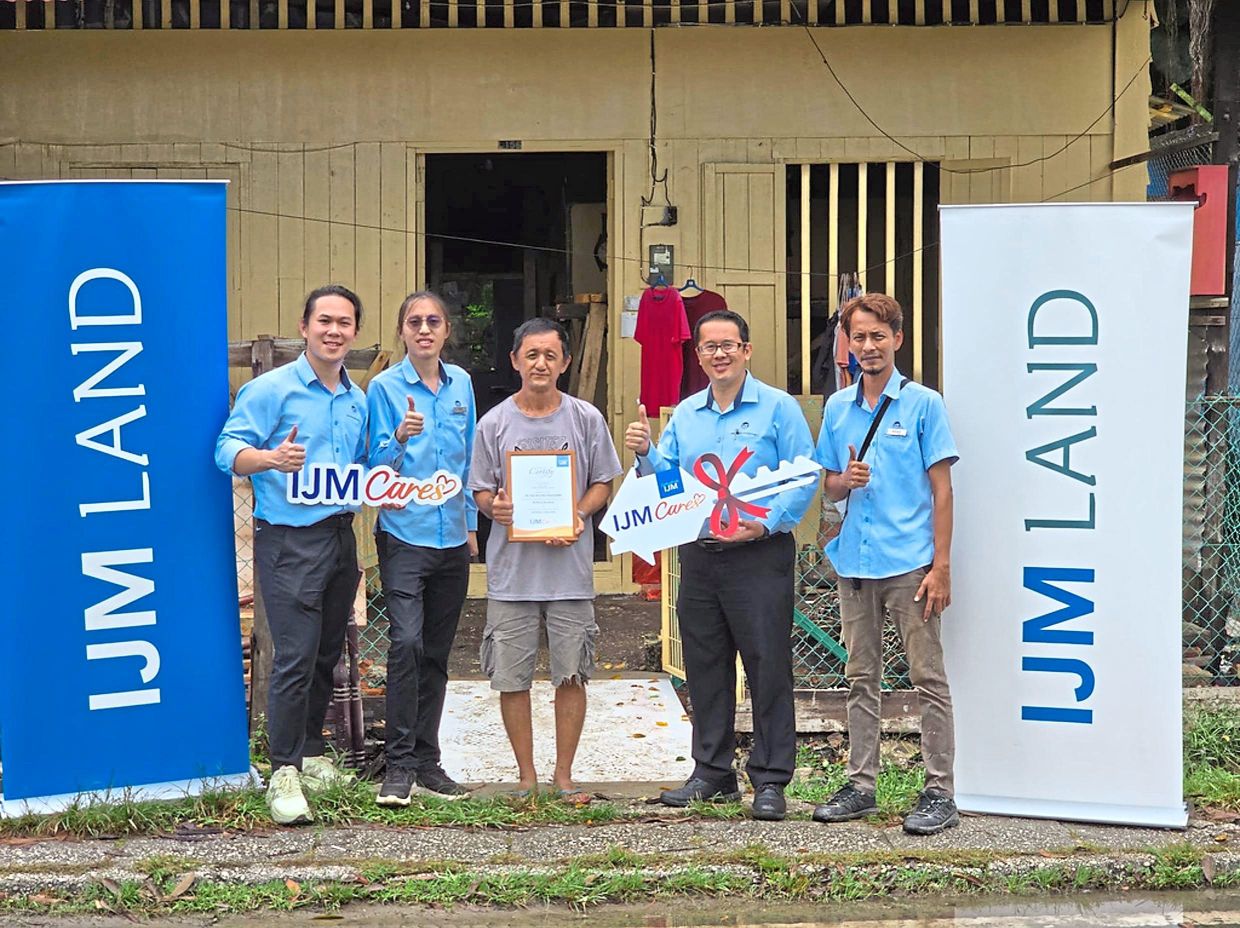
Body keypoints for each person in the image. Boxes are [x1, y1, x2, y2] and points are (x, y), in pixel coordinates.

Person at [624, 309, 815, 822]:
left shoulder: (779, 409)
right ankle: (712, 773)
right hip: (701, 556)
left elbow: (805, 475)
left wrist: (770, 522)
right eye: (709, 347)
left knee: (767, 666)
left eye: (728, 344)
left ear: (747, 350)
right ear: (699, 355)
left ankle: (771, 780)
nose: (719, 354)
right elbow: (669, 484)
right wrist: (646, 455)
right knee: (705, 667)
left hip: (760, 553)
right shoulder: (686, 414)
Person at [215, 284, 367, 826]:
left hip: (339, 536)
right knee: (294, 657)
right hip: (287, 540)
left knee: (329, 651)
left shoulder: (358, 399)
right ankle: (282, 771)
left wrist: (397, 438)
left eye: (344, 322)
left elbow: (365, 464)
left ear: (354, 332)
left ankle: (312, 751)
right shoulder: (270, 390)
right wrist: (271, 458)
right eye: (324, 320)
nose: (334, 330)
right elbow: (226, 451)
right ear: (304, 328)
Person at [810, 292, 960, 836]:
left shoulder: (923, 404)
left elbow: (943, 491)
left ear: (897, 339)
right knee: (859, 678)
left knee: (928, 678)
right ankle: (861, 785)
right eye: (858, 336)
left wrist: (940, 566)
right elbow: (827, 484)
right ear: (846, 344)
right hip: (854, 563)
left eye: (878, 336)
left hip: (910, 565)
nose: (868, 346)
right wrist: (841, 481)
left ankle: (940, 791)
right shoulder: (836, 408)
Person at [469, 318, 622, 800]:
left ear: (565, 363)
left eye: (550, 355)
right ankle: (527, 777)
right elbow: (480, 490)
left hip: (569, 572)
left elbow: (603, 481)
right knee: (511, 678)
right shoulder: (493, 423)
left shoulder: (585, 419)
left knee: (571, 673)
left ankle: (563, 774)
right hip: (512, 574)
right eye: (531, 354)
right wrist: (495, 507)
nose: (540, 363)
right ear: (515, 360)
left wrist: (578, 513)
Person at [368, 291, 478, 806]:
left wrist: (473, 524)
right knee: (405, 644)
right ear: (402, 331)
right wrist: (399, 436)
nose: (425, 329)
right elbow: (373, 471)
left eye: (433, 321)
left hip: (452, 535)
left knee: (436, 653)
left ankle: (428, 762)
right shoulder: (384, 388)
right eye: (414, 322)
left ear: (446, 330)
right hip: (403, 533)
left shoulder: (463, 385)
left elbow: (470, 461)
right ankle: (398, 765)